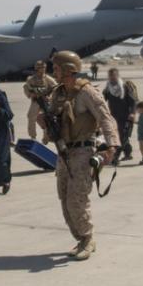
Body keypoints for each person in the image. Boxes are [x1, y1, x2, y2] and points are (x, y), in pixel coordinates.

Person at [41, 50, 118, 261]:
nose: (53, 72)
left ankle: (88, 238)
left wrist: (111, 146)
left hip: (84, 152)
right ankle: (80, 238)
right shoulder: (58, 93)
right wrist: (45, 124)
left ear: (68, 70)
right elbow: (54, 125)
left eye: (56, 68)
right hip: (64, 152)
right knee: (64, 199)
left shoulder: (86, 92)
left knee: (77, 199)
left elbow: (105, 118)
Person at [103, 67, 138, 163]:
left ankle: (115, 157)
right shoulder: (108, 89)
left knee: (121, 136)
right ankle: (128, 153)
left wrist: (132, 113)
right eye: (110, 76)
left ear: (117, 75)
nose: (112, 78)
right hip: (114, 117)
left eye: (113, 76)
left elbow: (133, 102)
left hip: (126, 116)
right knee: (119, 136)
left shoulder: (125, 87)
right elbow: (102, 100)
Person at [22, 60, 57, 142]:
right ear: (37, 69)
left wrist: (50, 96)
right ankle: (33, 136)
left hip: (45, 101)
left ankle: (46, 135)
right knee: (31, 116)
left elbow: (55, 87)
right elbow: (26, 87)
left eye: (44, 67)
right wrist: (31, 95)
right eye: (41, 68)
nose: (43, 69)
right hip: (36, 101)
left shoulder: (48, 78)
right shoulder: (31, 79)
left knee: (47, 118)